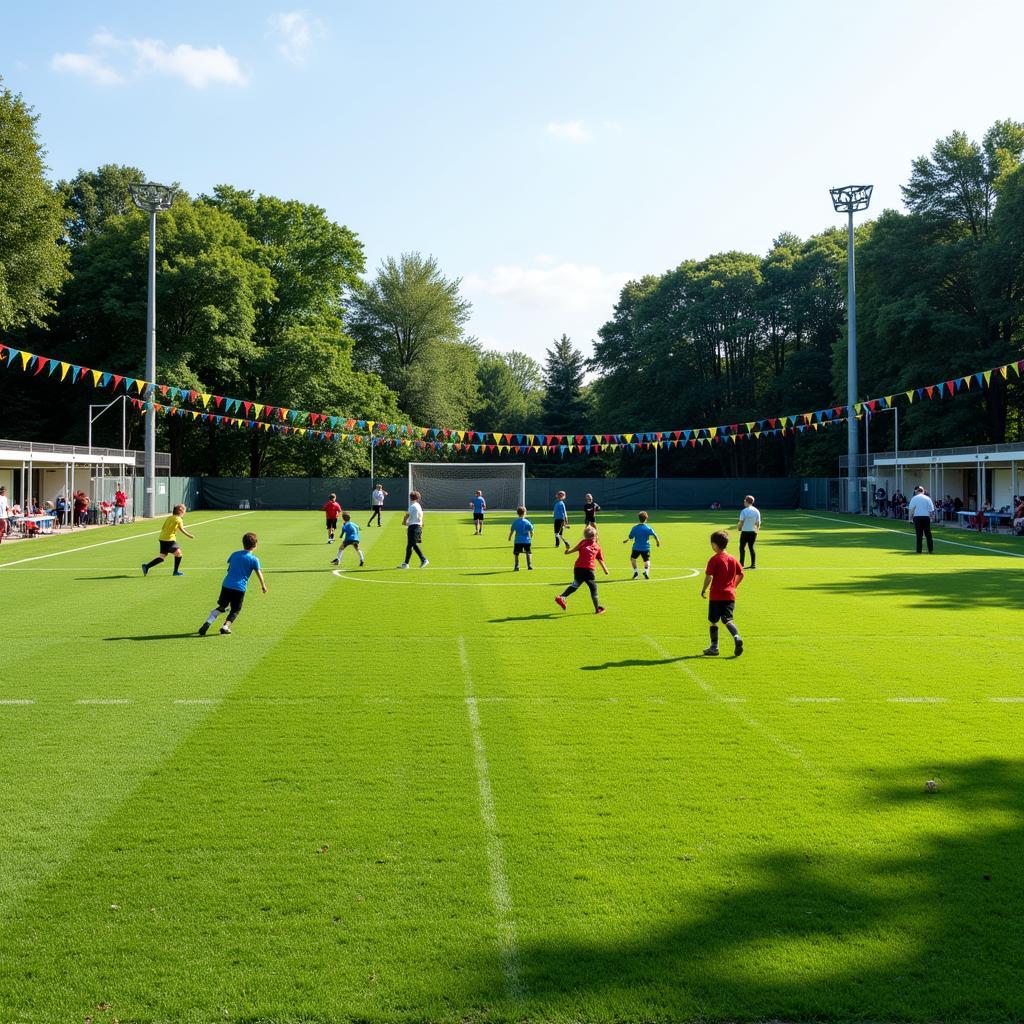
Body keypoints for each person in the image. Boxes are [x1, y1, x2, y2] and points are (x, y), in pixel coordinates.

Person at [198, 531, 267, 636]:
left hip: (226, 585)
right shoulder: (254, 559)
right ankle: (225, 627)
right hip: (239, 588)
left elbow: (229, 568)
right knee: (235, 609)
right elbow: (259, 573)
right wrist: (263, 586)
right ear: (255, 545)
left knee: (222, 606)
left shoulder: (234, 554)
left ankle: (208, 621)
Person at [700, 529, 745, 657]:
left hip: (716, 595)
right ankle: (736, 637)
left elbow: (709, 576)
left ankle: (714, 647)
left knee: (713, 621)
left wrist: (703, 589)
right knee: (728, 619)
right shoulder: (732, 559)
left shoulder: (714, 559)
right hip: (730, 595)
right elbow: (741, 574)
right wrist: (734, 586)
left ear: (714, 545)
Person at [555, 525, 608, 614]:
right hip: (589, 570)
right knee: (593, 588)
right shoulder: (597, 546)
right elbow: (600, 559)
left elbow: (568, 552)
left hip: (578, 568)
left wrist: (567, 547)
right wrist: (605, 569)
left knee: (576, 584)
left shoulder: (582, 542)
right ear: (595, 536)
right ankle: (597, 609)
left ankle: (562, 597)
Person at [142, 504, 194, 577]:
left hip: (162, 538)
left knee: (162, 557)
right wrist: (189, 535)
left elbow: (163, 527)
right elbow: (182, 529)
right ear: (180, 510)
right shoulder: (179, 519)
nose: (184, 512)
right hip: (169, 539)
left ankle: (146, 566)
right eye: (184, 510)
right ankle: (175, 572)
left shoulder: (169, 517)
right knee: (178, 554)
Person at [624, 511, 661, 579]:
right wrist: (657, 541)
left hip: (636, 547)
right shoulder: (648, 528)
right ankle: (646, 571)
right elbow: (654, 535)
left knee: (633, 559)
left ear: (639, 518)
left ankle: (636, 572)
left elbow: (631, 536)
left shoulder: (635, 527)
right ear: (646, 519)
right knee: (647, 560)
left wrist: (628, 539)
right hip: (645, 548)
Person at [399, 490, 428, 568]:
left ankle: (423, 559)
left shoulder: (412, 506)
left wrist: (404, 522)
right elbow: (421, 516)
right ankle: (406, 564)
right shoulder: (418, 505)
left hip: (413, 527)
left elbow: (407, 515)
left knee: (412, 544)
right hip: (418, 526)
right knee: (411, 545)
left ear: (410, 497)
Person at [907, 485, 935, 553]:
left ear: (917, 491)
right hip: (926, 517)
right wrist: (932, 518)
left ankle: (919, 550)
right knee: (928, 534)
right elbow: (931, 510)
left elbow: (911, 510)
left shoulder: (914, 498)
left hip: (917, 517)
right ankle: (930, 550)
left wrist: (910, 519)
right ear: (923, 491)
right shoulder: (928, 498)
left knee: (919, 535)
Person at [736, 495, 761, 569]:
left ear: (746, 502)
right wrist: (756, 531)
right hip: (753, 532)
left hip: (745, 532)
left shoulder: (744, 511)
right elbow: (758, 523)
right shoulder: (756, 511)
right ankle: (753, 565)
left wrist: (739, 528)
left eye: (744, 501)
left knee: (742, 547)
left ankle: (741, 564)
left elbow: (741, 522)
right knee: (751, 547)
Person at [508, 506, 534, 571]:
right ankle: (529, 565)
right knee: (528, 552)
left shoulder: (515, 522)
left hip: (518, 540)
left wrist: (510, 537)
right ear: (525, 513)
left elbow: (512, 531)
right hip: (526, 540)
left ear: (517, 513)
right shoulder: (527, 522)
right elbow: (532, 531)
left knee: (516, 553)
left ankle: (516, 566)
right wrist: (531, 536)